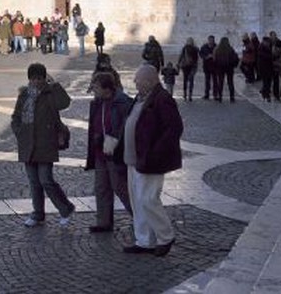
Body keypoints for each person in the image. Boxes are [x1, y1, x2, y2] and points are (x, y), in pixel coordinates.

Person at [122, 64, 183, 256]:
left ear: (149, 82)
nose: (134, 83)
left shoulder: (162, 99)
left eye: (138, 80)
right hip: (133, 159)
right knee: (137, 202)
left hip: (150, 159)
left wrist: (155, 151)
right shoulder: (141, 97)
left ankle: (166, 236)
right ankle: (144, 240)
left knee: (148, 200)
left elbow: (174, 128)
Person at [11, 63, 75, 227]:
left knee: (46, 180)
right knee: (34, 182)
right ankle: (38, 214)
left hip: (46, 142)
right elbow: (16, 116)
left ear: (44, 78)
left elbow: (64, 103)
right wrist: (19, 132)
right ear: (29, 79)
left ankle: (65, 208)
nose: (36, 82)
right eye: (33, 79)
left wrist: (54, 85)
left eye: (39, 78)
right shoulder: (24, 94)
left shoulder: (49, 93)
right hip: (28, 143)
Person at [85, 71, 133, 232]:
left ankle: (140, 217)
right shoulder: (97, 103)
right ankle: (103, 222)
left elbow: (126, 126)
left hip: (115, 152)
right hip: (100, 152)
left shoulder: (122, 102)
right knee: (101, 187)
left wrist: (113, 138)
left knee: (120, 187)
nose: (94, 90)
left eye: (96, 87)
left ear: (107, 88)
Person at [212, 37, 239, 103]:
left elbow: (214, 59)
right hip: (229, 67)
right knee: (230, 82)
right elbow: (235, 58)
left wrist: (215, 67)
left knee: (220, 82)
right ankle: (232, 97)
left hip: (220, 68)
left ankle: (220, 97)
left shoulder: (217, 49)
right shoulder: (230, 49)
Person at [199, 35, 216, 99]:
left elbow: (219, 55)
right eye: (210, 40)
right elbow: (200, 53)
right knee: (207, 81)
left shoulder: (216, 47)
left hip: (215, 66)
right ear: (208, 40)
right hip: (206, 66)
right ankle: (207, 94)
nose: (211, 41)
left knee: (215, 81)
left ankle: (215, 94)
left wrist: (214, 57)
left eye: (212, 40)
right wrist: (206, 57)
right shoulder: (204, 47)